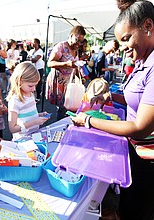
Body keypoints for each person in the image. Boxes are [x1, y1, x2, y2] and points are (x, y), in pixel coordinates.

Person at [72, 0, 154, 219]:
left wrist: (88, 120)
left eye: (126, 39)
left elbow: (140, 127)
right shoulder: (143, 59)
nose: (124, 47)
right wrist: (111, 96)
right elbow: (139, 99)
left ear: (148, 27)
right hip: (137, 155)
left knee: (136, 211)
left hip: (148, 160)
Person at [46, 25, 86, 120]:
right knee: (62, 108)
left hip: (68, 83)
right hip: (58, 82)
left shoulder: (75, 50)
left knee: (67, 107)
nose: (79, 44)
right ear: (71, 35)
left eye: (81, 42)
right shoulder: (61, 46)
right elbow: (50, 63)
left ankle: (64, 125)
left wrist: (80, 77)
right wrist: (66, 64)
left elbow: (74, 66)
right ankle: (60, 127)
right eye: (77, 40)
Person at [6, 61, 49, 141]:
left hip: (34, 135)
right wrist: (35, 122)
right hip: (22, 140)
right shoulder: (15, 101)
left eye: (35, 85)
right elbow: (12, 128)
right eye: (30, 86)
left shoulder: (30, 95)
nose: (34, 89)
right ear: (19, 81)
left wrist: (39, 115)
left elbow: (27, 115)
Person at [27, 38, 44, 102]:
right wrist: (31, 59)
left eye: (34, 42)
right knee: (32, 82)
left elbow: (35, 59)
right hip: (32, 69)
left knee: (38, 82)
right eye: (32, 42)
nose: (32, 44)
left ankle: (38, 97)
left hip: (39, 68)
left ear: (38, 43)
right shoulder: (31, 51)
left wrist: (31, 59)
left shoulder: (40, 51)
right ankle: (32, 96)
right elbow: (27, 58)